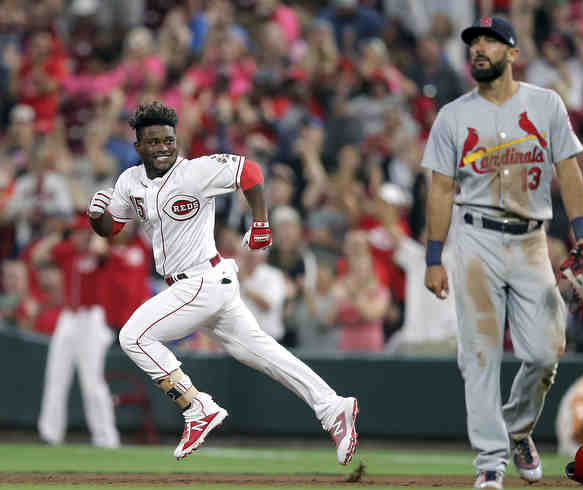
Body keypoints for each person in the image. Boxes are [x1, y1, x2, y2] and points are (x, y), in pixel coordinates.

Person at [86, 102, 358, 463]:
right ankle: (332, 406)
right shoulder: (129, 181)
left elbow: (250, 171)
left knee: (133, 336)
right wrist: (95, 217)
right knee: (263, 353)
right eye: (153, 141)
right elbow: (112, 229)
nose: (164, 146)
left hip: (201, 279)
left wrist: (261, 223)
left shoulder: (195, 172)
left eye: (168, 139)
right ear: (138, 147)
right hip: (198, 285)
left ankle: (196, 406)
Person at [421, 16, 583, 490]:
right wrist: (433, 257)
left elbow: (569, 173)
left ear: (513, 52)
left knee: (546, 352)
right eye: (474, 42)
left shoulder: (545, 104)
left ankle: (517, 427)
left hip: (531, 241)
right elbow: (441, 190)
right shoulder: (453, 116)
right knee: (480, 355)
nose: (479, 49)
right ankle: (489, 459)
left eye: (490, 41)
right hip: (475, 238)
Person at [34, 215, 120, 449]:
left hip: (91, 319)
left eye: (80, 232)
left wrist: (94, 234)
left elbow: (103, 251)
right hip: (68, 317)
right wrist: (56, 235)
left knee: (92, 381)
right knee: (56, 376)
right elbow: (38, 256)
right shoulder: (67, 251)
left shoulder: (96, 252)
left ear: (89, 233)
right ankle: (50, 433)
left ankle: (106, 438)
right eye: (73, 233)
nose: (76, 236)